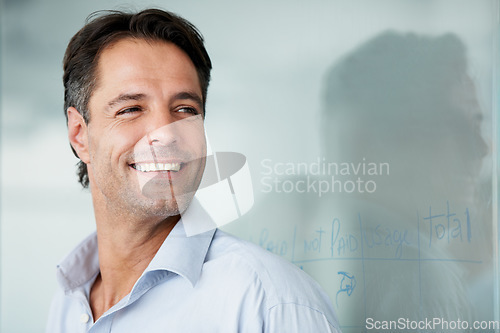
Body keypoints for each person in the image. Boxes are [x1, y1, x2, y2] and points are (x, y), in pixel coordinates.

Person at [46, 8, 340, 332]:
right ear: (79, 135)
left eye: (185, 109)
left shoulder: (272, 303)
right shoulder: (69, 301)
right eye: (131, 109)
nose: (166, 132)